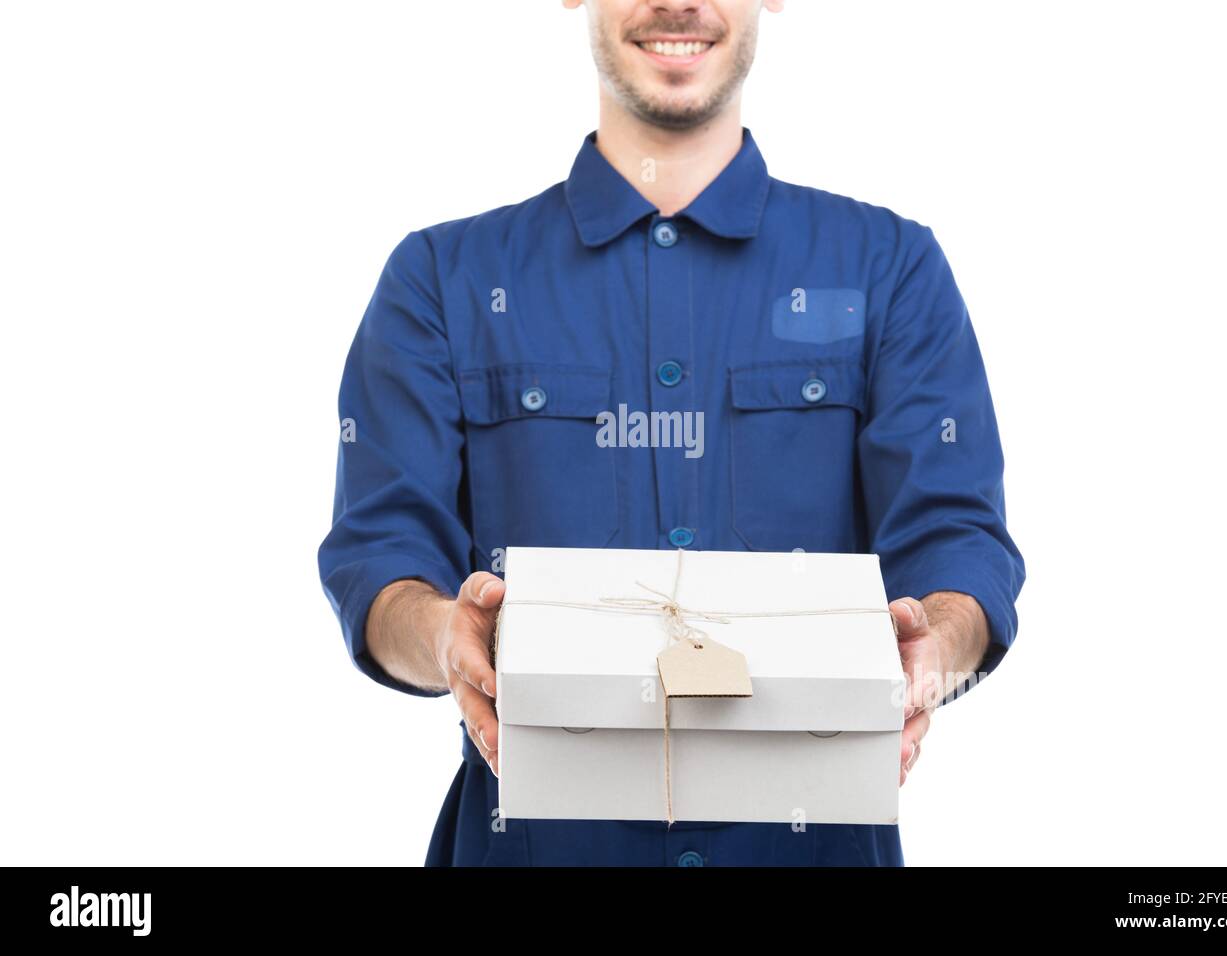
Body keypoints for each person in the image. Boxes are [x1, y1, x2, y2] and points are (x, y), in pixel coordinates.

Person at [318, 0, 1025, 867]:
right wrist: (439, 636)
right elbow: (380, 555)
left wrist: (938, 645)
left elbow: (958, 541)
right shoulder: (441, 279)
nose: (679, 4)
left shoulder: (891, 267)